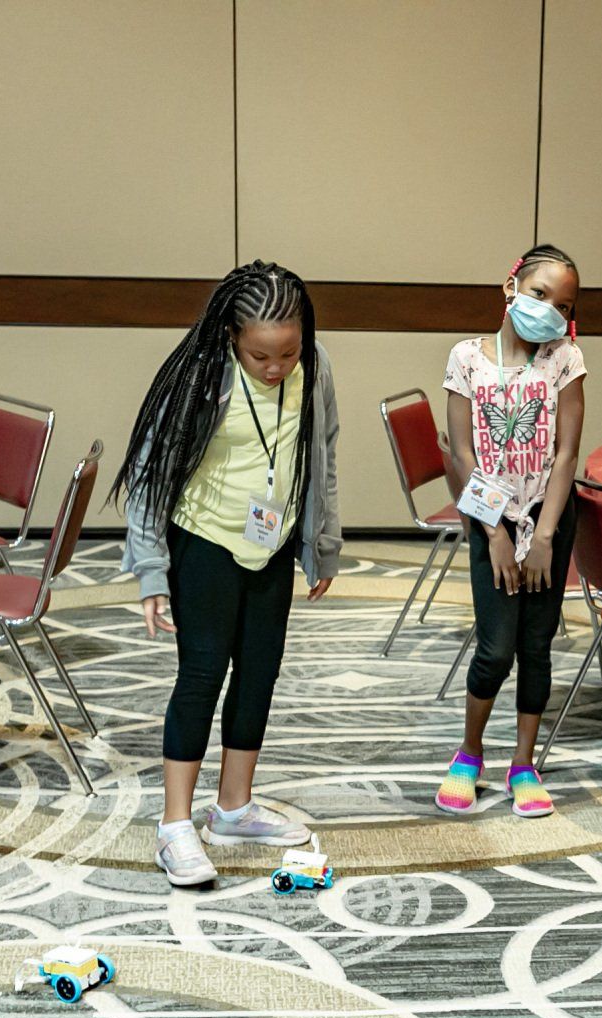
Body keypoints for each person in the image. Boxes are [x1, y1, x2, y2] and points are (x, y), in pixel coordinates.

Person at [116, 261, 341, 888]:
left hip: (272, 543)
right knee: (203, 673)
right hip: (204, 539)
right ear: (231, 336)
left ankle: (234, 809)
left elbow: (323, 456)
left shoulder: (316, 370)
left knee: (260, 671)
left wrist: (322, 544)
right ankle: (174, 826)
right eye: (259, 356)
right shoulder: (202, 374)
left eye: (287, 354)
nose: (275, 368)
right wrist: (151, 571)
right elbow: (150, 475)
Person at [434, 244, 587, 819]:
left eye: (563, 305)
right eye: (540, 294)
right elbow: (461, 454)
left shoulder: (565, 358)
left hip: (548, 518)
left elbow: (566, 453)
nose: (549, 310)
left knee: (536, 645)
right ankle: (469, 752)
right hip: (490, 520)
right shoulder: (466, 358)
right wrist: (496, 532)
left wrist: (544, 535)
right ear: (511, 288)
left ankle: (523, 763)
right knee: (496, 649)